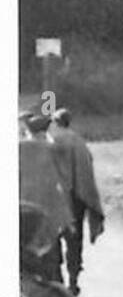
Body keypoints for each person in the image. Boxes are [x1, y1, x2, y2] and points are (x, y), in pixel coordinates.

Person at [48, 108, 106, 296]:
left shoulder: (50, 140)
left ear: (56, 122)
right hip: (75, 197)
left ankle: (57, 279)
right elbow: (87, 170)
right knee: (74, 240)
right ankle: (73, 280)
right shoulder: (79, 142)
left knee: (52, 239)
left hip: (55, 198)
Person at [18, 112, 74, 284]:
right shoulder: (53, 150)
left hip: (23, 209)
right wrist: (67, 220)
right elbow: (65, 183)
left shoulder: (18, 149)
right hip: (48, 213)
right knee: (52, 258)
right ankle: (56, 292)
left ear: (28, 130)